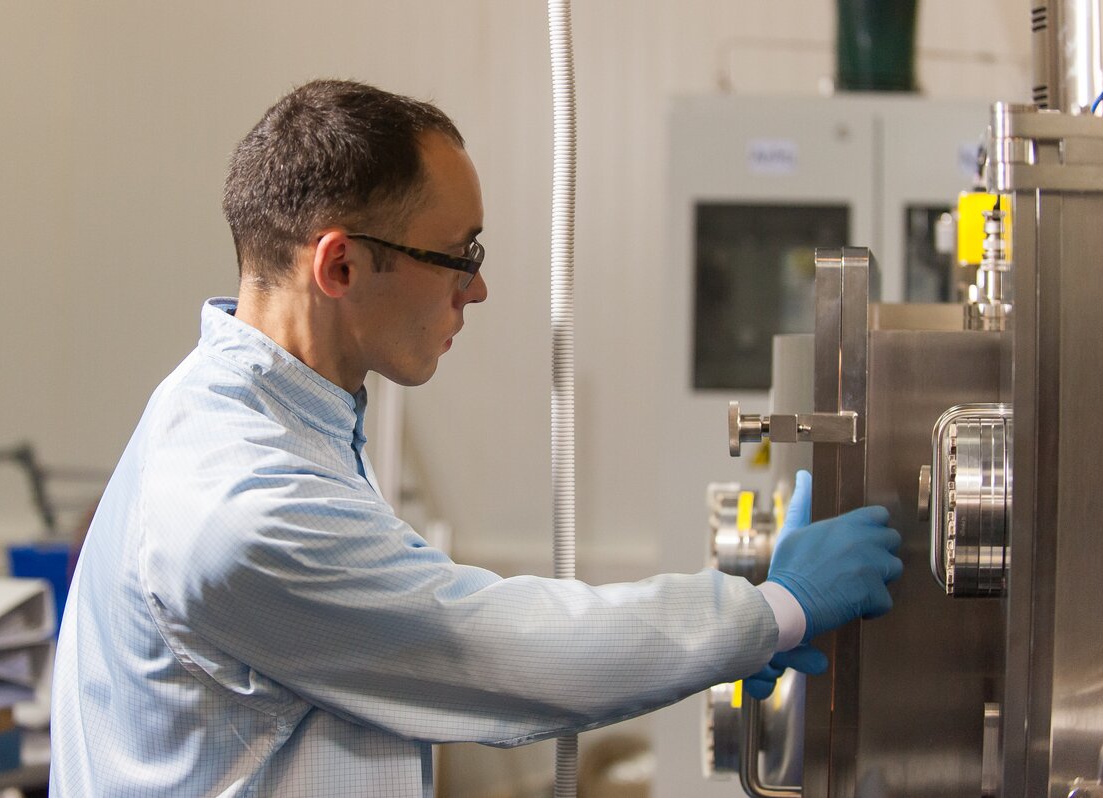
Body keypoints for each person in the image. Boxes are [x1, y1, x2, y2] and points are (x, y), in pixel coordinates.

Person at [49, 79, 902, 797]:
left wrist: (734, 636)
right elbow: (493, 647)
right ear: (340, 266)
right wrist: (772, 610)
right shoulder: (240, 502)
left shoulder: (274, 415)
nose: (478, 288)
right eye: (458, 255)